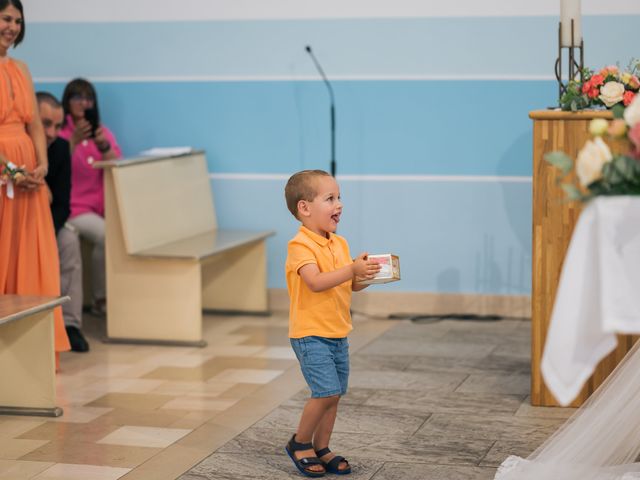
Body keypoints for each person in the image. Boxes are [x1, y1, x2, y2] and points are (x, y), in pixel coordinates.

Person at [283, 169, 380, 477]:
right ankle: (300, 443)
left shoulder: (339, 243)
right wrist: (352, 269)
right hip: (310, 334)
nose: (339, 204)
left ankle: (321, 447)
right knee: (324, 392)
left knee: (334, 393)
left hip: (337, 333)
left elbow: (346, 285)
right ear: (305, 207)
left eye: (339, 197)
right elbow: (315, 281)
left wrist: (364, 276)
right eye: (330, 198)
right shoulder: (300, 246)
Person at [0, 0, 70, 362]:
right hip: (5, 176)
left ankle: (32, 351)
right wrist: (10, 171)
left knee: (31, 257)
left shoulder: (21, 68)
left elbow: (34, 127)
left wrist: (40, 166)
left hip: (28, 178)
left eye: (17, 20)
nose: (12, 26)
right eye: (6, 18)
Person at [58, 78, 122, 316]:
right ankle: (101, 298)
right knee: (108, 235)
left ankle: (111, 296)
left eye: (88, 98)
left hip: (99, 207)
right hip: (74, 209)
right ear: (67, 102)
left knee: (115, 232)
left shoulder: (101, 131)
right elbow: (58, 163)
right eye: (77, 97)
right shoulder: (61, 131)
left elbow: (115, 165)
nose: (83, 103)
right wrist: (73, 140)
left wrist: (102, 144)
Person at [37, 91, 89, 352]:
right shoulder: (15, 146)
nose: (52, 133)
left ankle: (70, 325)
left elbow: (62, 203)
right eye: (45, 124)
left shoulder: (59, 150)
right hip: (17, 225)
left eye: (57, 126)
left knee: (69, 241)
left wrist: (46, 232)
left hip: (49, 224)